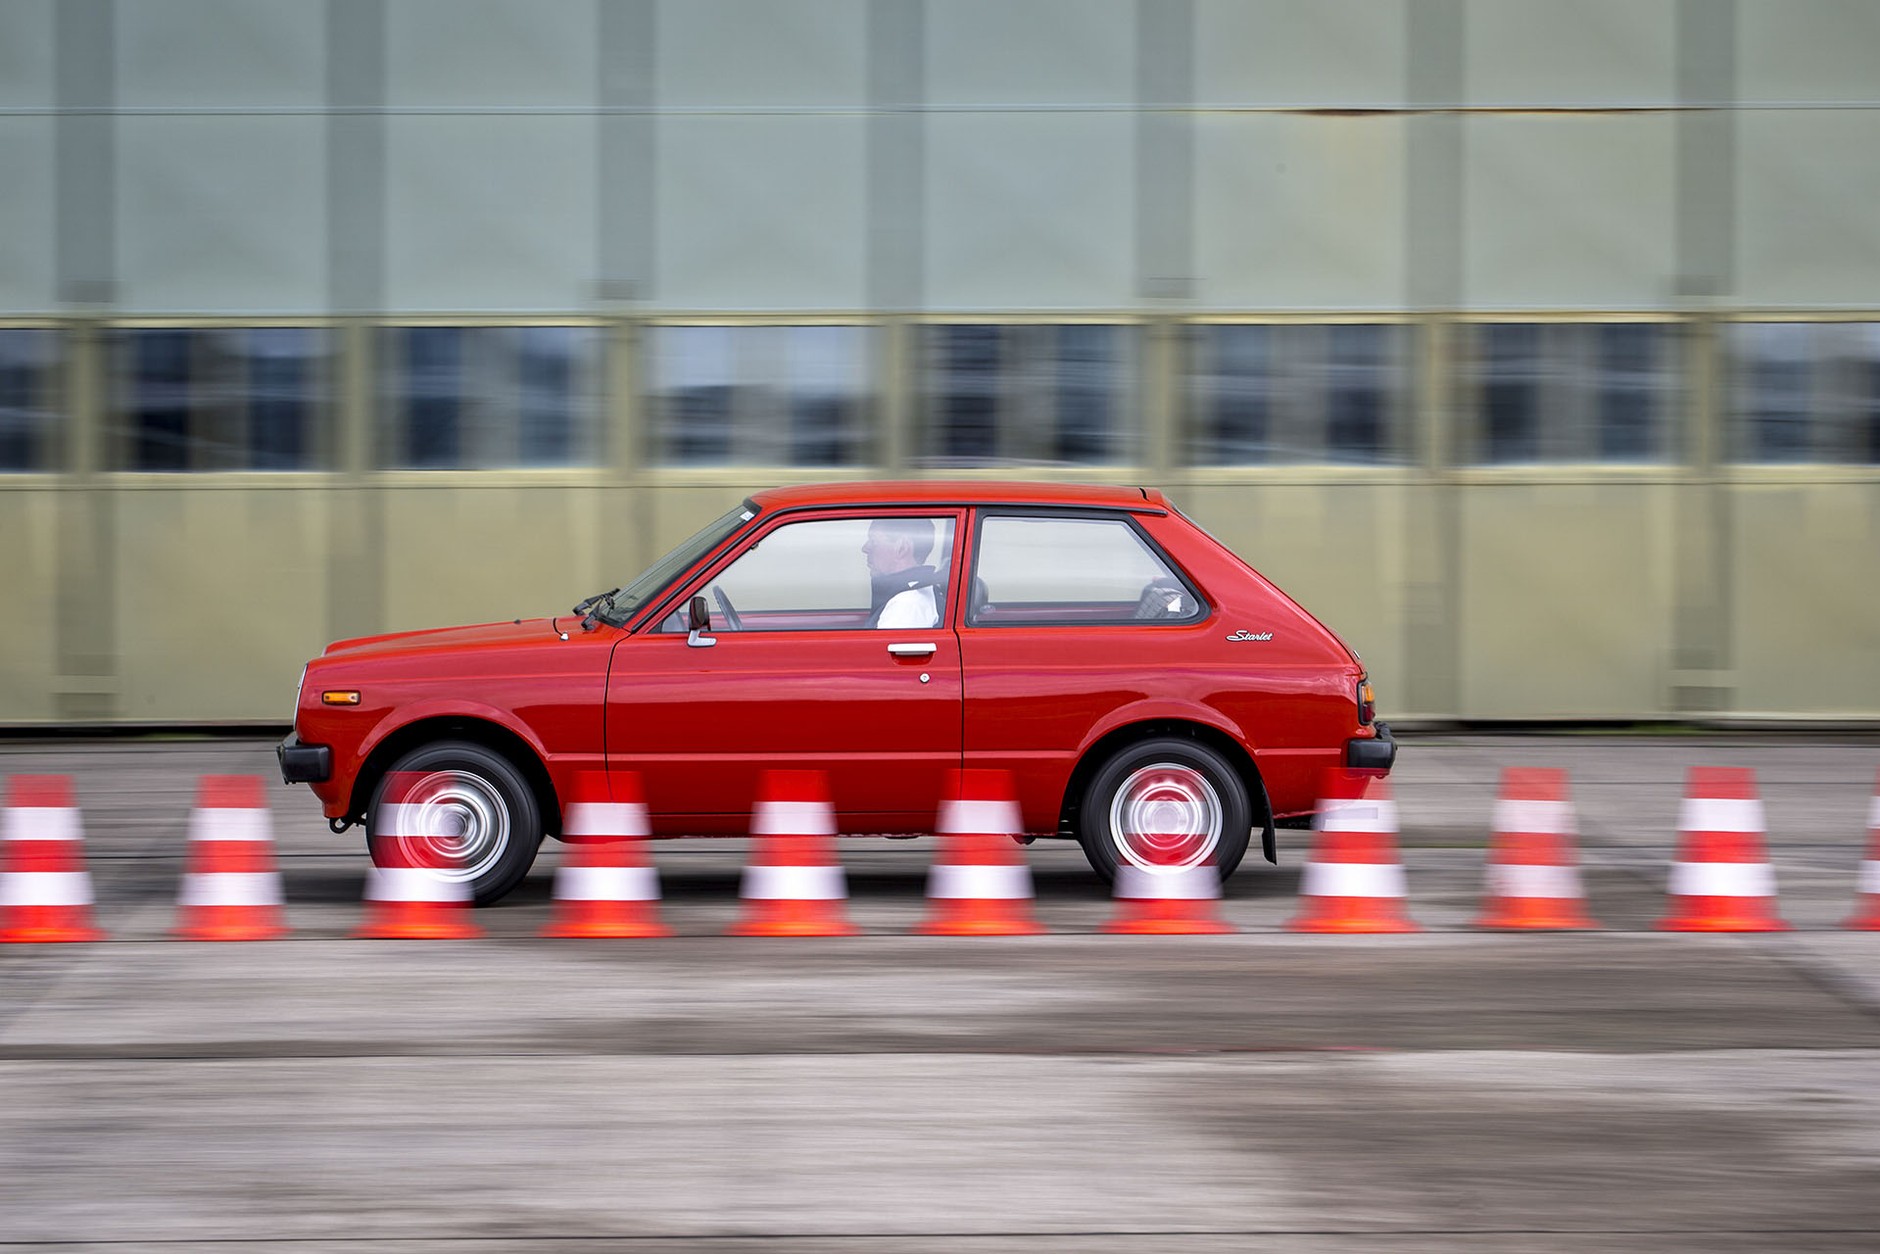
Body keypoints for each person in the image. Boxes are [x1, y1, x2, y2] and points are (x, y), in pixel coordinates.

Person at [861, 517, 942, 629]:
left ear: (902, 548)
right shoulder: (913, 595)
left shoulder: (907, 605)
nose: (864, 548)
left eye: (873, 541)